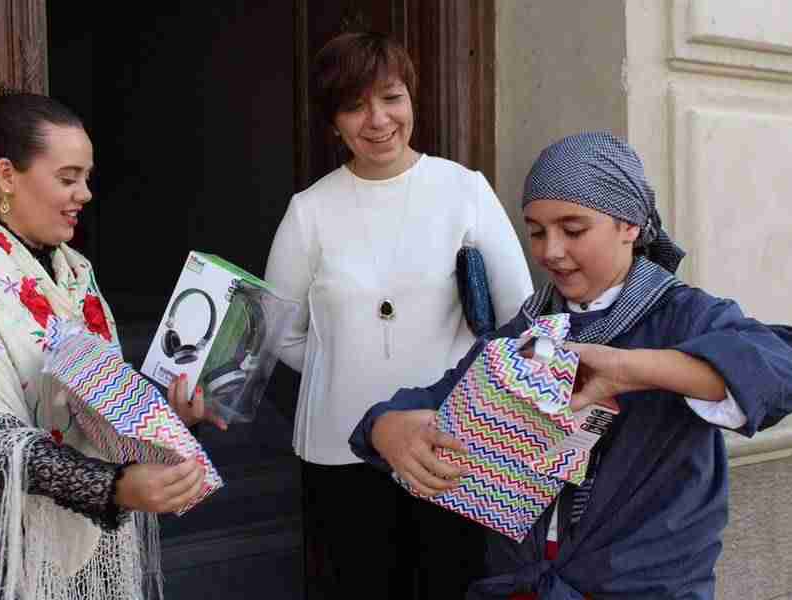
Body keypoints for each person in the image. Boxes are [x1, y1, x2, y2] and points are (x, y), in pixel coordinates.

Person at [349, 131, 792, 599]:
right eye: (536, 231)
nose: (549, 251)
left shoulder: (684, 317)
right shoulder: (529, 327)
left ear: (630, 226)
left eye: (573, 229)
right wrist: (387, 428)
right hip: (526, 584)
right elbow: (441, 399)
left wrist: (631, 369)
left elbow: (778, 371)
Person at [0, 82, 224, 600]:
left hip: (92, 550)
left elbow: (96, 401)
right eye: (68, 178)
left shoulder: (73, 273)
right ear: (6, 175)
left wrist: (163, 422)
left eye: (87, 178)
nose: (86, 194)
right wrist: (113, 487)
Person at [265, 31, 534, 599]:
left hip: (449, 447)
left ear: (412, 99)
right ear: (332, 122)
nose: (378, 120)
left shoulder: (464, 190)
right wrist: (345, 362)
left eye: (391, 97)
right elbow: (281, 334)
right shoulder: (309, 211)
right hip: (338, 448)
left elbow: (517, 318)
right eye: (354, 105)